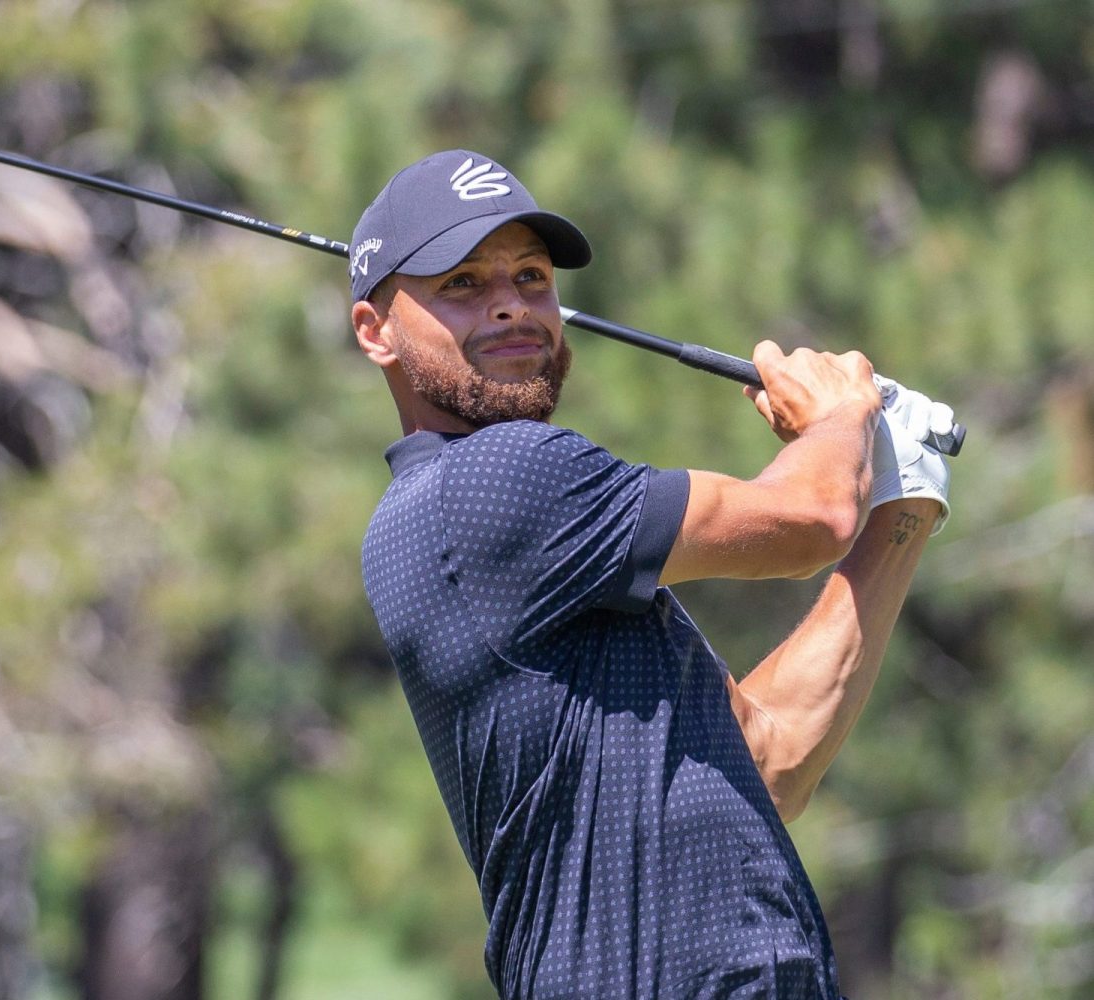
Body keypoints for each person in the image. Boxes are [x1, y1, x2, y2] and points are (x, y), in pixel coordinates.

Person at [347, 150, 955, 999]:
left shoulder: (556, 553)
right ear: (376, 332)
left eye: (530, 276)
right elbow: (813, 518)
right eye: (462, 282)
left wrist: (905, 506)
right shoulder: (495, 479)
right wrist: (844, 413)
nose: (512, 304)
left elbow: (769, 761)